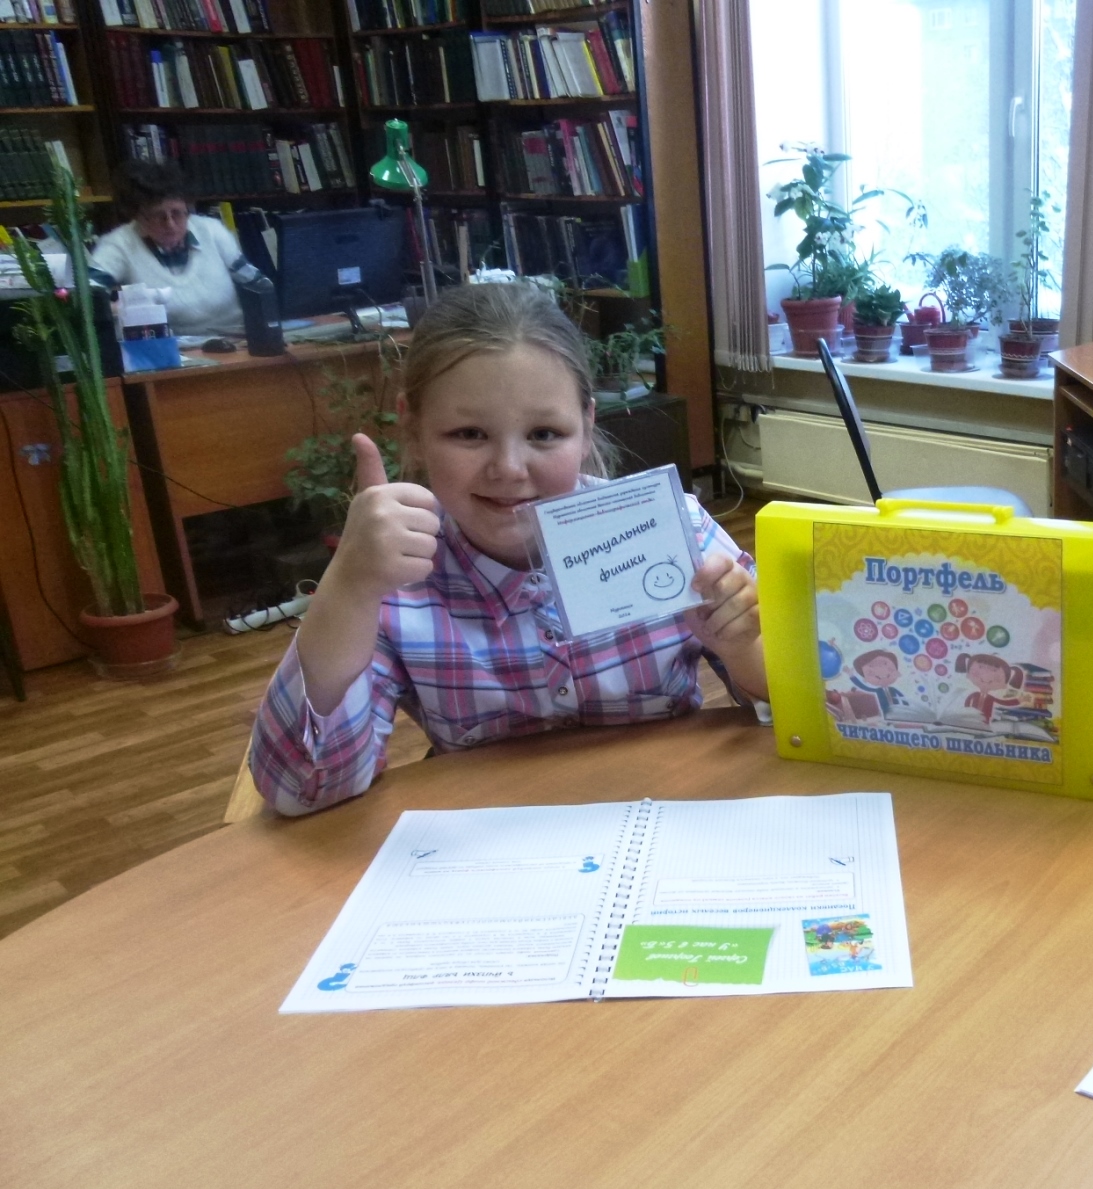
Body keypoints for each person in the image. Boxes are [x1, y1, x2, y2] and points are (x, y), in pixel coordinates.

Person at [250, 282, 765, 815]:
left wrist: (742, 646)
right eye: (469, 434)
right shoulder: (391, 583)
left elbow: (797, 715)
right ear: (414, 427)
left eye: (544, 434)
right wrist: (349, 587)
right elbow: (302, 790)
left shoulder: (671, 532)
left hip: (666, 821)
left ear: (586, 425)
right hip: (488, 841)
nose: (509, 469)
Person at [89, 161, 263, 336]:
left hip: (235, 339)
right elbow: (87, 295)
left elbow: (258, 284)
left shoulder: (212, 231)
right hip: (166, 345)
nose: (170, 224)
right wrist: (122, 309)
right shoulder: (119, 243)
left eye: (177, 213)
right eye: (158, 216)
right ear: (138, 216)